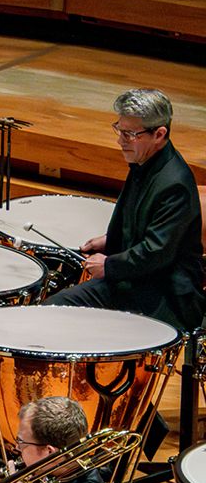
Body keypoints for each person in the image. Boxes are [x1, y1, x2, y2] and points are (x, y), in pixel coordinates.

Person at [45, 88, 204, 332]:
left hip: (164, 297)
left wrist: (109, 265)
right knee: (52, 311)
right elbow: (142, 222)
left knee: (72, 324)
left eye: (129, 134)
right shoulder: (145, 161)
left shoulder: (174, 184)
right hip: (134, 280)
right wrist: (111, 240)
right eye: (119, 130)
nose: (120, 140)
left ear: (159, 134)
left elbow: (156, 251)